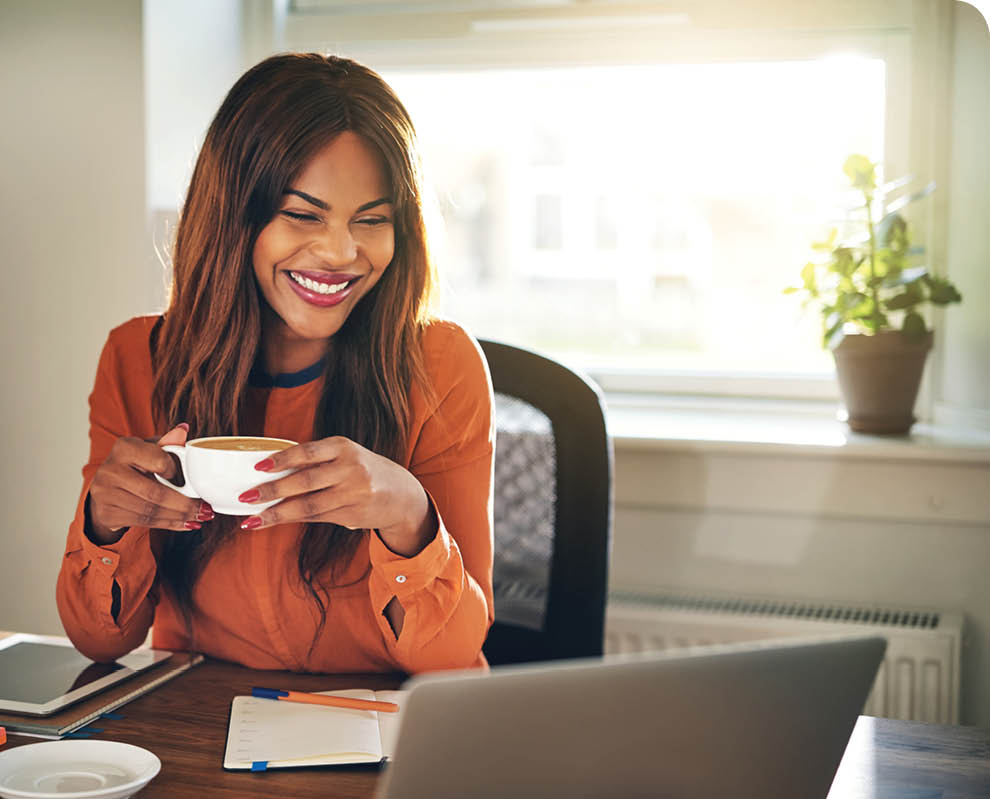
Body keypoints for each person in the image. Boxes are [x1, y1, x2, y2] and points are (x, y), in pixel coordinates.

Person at [56, 53, 495, 675]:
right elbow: (100, 642)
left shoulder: (441, 365)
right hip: (207, 729)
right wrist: (104, 524)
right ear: (235, 216)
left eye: (371, 221)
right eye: (301, 215)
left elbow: (449, 660)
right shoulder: (138, 358)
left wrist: (408, 514)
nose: (342, 252)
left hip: (385, 739)